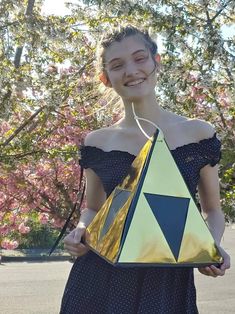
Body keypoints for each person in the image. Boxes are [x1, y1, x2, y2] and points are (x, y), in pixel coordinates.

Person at [60, 26, 230, 314]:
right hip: (99, 279)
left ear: (157, 62)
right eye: (117, 65)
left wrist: (208, 247)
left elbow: (213, 210)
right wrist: (80, 231)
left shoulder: (198, 134)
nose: (131, 70)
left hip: (167, 281)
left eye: (140, 58)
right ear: (106, 78)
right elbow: (92, 209)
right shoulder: (98, 142)